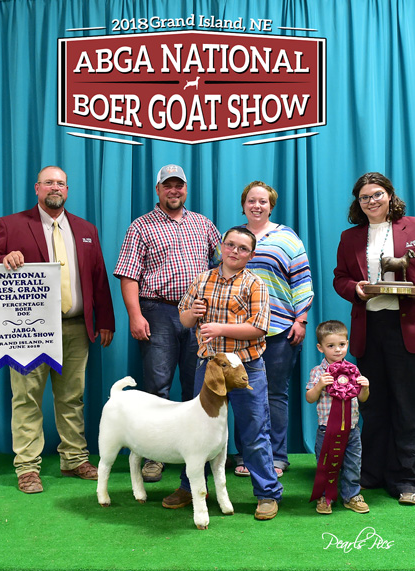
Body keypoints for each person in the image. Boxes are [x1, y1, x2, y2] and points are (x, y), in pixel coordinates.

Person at [0, 165, 115, 494]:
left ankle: (74, 458)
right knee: (26, 397)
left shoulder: (85, 229)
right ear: (37, 189)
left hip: (75, 328)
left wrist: (106, 320)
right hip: (30, 330)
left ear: (67, 190)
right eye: (49, 183)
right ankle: (27, 467)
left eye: (61, 183)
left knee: (73, 397)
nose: (55, 187)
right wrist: (5, 259)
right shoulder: (11, 225)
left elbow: (98, 277)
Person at [333, 171, 415, 505]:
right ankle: (371, 472)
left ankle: (407, 480)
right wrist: (355, 289)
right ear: (358, 203)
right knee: (373, 405)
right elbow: (340, 278)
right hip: (370, 328)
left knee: (405, 405)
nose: (372, 201)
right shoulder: (350, 237)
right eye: (364, 197)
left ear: (389, 195)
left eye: (377, 194)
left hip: (408, 327)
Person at [164, 226, 283, 520]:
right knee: (197, 431)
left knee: (254, 431)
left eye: (243, 249)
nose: (235, 252)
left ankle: (267, 493)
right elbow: (183, 316)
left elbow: (258, 327)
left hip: (246, 367)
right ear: (221, 246)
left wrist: (220, 328)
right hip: (210, 367)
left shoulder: (255, 284)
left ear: (251, 255)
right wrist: (194, 312)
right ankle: (189, 486)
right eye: (230, 245)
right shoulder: (203, 279)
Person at [113, 164, 221, 483]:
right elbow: (129, 275)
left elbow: (223, 263)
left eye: (179, 185)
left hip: (198, 314)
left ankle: (196, 451)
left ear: (186, 189)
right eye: (168, 186)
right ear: (158, 190)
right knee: (158, 386)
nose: (174, 191)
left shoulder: (203, 224)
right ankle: (155, 455)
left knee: (197, 386)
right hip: (157, 311)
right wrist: (135, 315)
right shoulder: (141, 226)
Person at [234, 181, 313, 478]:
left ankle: (277, 457)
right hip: (240, 330)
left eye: (263, 201)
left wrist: (300, 319)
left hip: (280, 327)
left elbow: (302, 280)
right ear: (243, 205)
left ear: (271, 205)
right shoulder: (234, 238)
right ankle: (245, 455)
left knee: (275, 395)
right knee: (242, 394)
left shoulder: (287, 238)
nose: (257, 205)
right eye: (251, 200)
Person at [305, 320, 370, 515]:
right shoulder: (318, 372)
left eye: (341, 345)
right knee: (325, 464)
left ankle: (351, 495)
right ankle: (326, 496)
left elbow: (362, 398)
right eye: (330, 346)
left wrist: (365, 387)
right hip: (327, 430)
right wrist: (319, 386)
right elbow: (309, 398)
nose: (337, 350)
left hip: (352, 430)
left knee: (353, 464)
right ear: (320, 347)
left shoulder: (353, 370)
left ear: (347, 344)